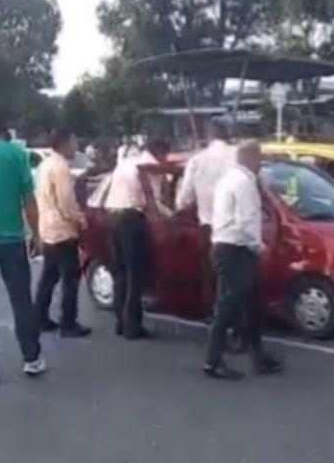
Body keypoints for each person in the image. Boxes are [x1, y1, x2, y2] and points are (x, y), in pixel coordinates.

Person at [203, 141, 283, 380]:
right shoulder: (244, 182)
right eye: (259, 158)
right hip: (236, 248)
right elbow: (246, 220)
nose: (261, 164)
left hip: (228, 247)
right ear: (250, 157)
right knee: (228, 306)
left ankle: (258, 355)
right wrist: (258, 247)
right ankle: (213, 361)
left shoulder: (228, 179)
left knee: (252, 304)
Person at [104, 137, 170, 340]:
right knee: (136, 275)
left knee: (121, 273)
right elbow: (155, 203)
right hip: (132, 221)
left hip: (112, 218)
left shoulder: (126, 163)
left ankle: (121, 323)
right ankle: (133, 326)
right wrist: (172, 216)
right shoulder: (149, 167)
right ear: (160, 152)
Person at [0, 119, 47, 376]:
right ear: (3, 131)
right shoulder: (16, 155)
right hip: (11, 239)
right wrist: (36, 234)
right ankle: (31, 358)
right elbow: (29, 201)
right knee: (21, 301)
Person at [33, 129, 92, 337]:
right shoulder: (60, 167)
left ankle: (39, 318)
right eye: (74, 141)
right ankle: (68, 322)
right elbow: (66, 201)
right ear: (65, 143)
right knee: (70, 278)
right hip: (63, 230)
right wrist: (80, 219)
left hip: (48, 228)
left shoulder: (45, 165)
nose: (76, 146)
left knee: (49, 276)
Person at [176, 122, 237, 305]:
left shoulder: (197, 160)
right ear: (226, 135)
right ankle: (233, 317)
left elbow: (183, 199)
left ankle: (212, 314)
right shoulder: (237, 156)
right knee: (233, 275)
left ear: (209, 137)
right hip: (233, 224)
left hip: (207, 225)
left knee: (210, 273)